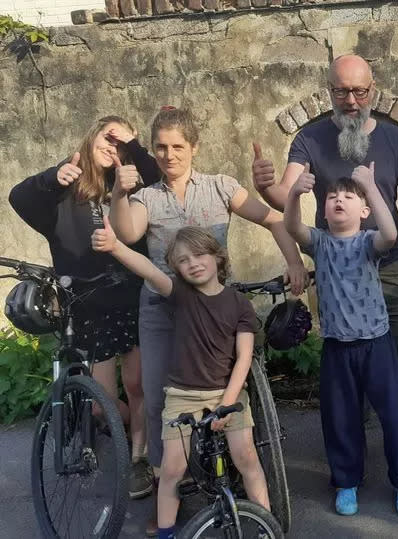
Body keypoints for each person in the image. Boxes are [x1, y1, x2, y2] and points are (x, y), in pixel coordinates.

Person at [252, 54, 398, 487]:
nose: (351, 100)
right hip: (338, 278)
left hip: (388, 269)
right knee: (349, 373)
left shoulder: (396, 139)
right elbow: (286, 195)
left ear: (372, 89)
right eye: (341, 91)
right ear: (329, 91)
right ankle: (355, 462)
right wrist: (264, 186)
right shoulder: (309, 138)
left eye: (359, 91)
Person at [108, 107, 308, 534]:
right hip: (165, 308)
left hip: (217, 309)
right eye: (160, 146)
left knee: (233, 385)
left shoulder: (221, 187)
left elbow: (273, 219)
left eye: (178, 146)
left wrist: (294, 262)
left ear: (194, 147)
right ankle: (171, 494)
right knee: (161, 398)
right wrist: (118, 193)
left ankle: (240, 468)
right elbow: (126, 233)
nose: (168, 154)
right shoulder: (146, 196)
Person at [8, 116, 158, 499]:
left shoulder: (133, 186)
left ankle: (138, 459)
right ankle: (124, 438)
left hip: (132, 296)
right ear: (89, 139)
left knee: (138, 384)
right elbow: (18, 197)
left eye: (119, 142)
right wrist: (52, 176)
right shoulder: (63, 191)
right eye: (106, 138)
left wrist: (134, 146)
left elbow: (159, 177)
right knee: (99, 404)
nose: (112, 147)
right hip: (88, 306)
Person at [91, 223, 269, 539]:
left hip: (228, 394)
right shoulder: (180, 295)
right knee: (172, 469)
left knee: (247, 458)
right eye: (183, 260)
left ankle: (265, 524)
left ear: (218, 258)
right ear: (177, 268)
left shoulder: (239, 303)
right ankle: (166, 532)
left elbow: (244, 357)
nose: (193, 264)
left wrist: (228, 402)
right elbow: (148, 269)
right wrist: (116, 246)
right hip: (182, 395)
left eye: (200, 255)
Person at [285, 162, 398, 515]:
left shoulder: (368, 242)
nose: (338, 200)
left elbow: (390, 234)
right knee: (340, 418)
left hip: (376, 343)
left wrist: (370, 186)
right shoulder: (319, 243)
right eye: (332, 197)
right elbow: (291, 227)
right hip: (337, 348)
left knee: (395, 414)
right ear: (324, 211)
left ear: (364, 211)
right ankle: (346, 481)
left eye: (348, 196)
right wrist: (294, 194)